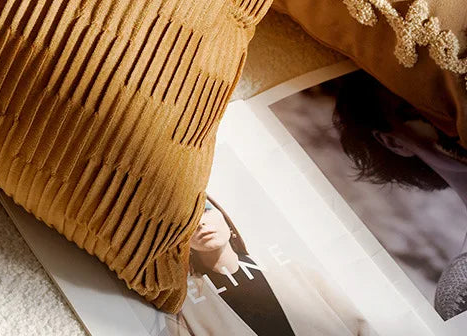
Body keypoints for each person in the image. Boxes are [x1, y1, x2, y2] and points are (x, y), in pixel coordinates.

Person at [332, 71, 467, 320]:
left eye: (441, 100)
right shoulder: (460, 291)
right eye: (415, 114)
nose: (445, 122)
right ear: (394, 143)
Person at [161, 197, 372, 336]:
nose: (200, 223)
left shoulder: (290, 270)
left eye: (205, 211)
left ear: (224, 217)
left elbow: (357, 324)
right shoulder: (187, 307)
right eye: (186, 221)